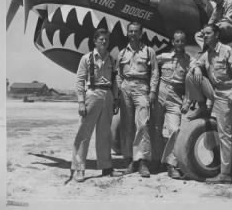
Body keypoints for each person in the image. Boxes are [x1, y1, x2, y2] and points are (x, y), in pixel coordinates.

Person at [185, 24, 232, 184]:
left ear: (217, 35)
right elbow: (195, 63)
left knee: (224, 135)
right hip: (214, 93)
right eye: (203, 33)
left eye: (208, 33)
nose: (205, 36)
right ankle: (202, 107)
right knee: (191, 74)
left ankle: (225, 174)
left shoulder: (227, 50)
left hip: (226, 97)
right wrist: (197, 68)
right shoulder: (207, 54)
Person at [72, 28, 121, 182]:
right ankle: (79, 169)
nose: (104, 42)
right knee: (84, 133)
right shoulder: (86, 58)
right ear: (95, 41)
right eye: (101, 39)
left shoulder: (111, 60)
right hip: (92, 95)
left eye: (106, 39)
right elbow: (79, 81)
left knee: (104, 134)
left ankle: (106, 167)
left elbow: (115, 82)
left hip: (107, 96)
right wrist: (81, 102)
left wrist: (115, 99)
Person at [150, 30, 195, 179]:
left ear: (185, 43)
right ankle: (156, 161)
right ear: (172, 42)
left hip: (175, 97)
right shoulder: (163, 57)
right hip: (159, 94)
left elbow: (193, 79)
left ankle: (171, 164)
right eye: (177, 41)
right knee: (155, 129)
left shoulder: (190, 61)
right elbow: (149, 65)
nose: (179, 44)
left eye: (182, 41)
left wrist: (188, 101)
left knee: (175, 130)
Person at [116, 22, 159, 178]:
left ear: (141, 34)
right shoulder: (122, 53)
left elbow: (154, 72)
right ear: (127, 33)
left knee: (142, 124)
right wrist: (119, 89)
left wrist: (153, 91)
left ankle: (142, 162)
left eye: (136, 31)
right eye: (130, 31)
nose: (133, 34)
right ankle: (129, 161)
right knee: (126, 126)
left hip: (142, 87)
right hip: (126, 87)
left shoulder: (149, 52)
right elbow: (118, 74)